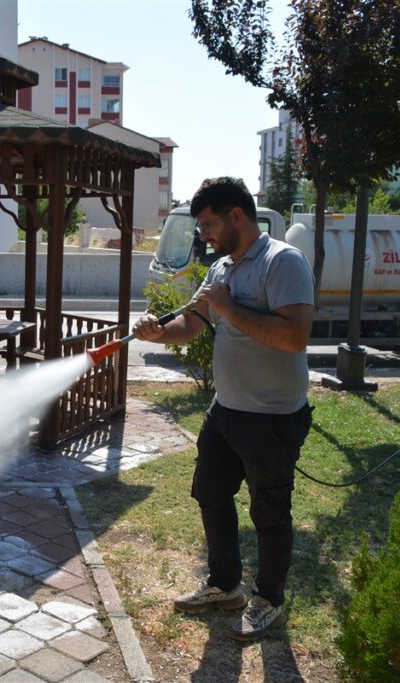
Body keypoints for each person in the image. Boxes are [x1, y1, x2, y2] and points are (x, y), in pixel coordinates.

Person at [133, 177, 315, 640]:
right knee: (210, 494)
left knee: (269, 511)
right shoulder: (220, 270)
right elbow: (191, 326)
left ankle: (269, 598)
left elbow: (293, 337)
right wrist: (159, 332)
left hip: (272, 417)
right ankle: (225, 585)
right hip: (226, 411)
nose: (204, 235)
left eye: (209, 224)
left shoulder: (283, 262)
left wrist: (230, 309)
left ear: (237, 215)